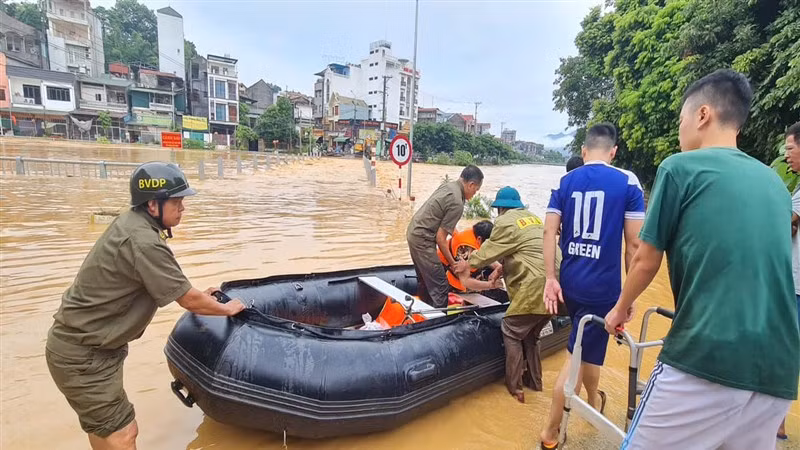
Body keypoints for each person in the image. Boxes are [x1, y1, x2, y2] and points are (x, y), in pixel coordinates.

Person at [604, 69, 799, 449]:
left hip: (706, 356)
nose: (680, 132)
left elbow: (645, 259)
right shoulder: (775, 185)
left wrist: (620, 309)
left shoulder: (680, 168)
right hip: (778, 369)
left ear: (703, 115)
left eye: (681, 120)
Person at [45, 162, 246, 450]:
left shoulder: (134, 224)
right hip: (85, 354)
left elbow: (170, 286)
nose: (182, 208)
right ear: (153, 204)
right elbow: (187, 299)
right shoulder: (143, 241)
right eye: (176, 202)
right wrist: (228, 309)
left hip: (88, 348)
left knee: (104, 427)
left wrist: (201, 296)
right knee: (124, 433)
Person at [540, 123, 645, 448]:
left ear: (584, 151)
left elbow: (549, 232)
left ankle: (592, 400)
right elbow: (634, 246)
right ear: (613, 151)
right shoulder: (627, 182)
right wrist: (629, 296)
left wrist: (550, 278)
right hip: (603, 288)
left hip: (570, 281)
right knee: (574, 357)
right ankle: (550, 433)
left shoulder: (565, 181)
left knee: (586, 344)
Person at [458, 186, 556, 403]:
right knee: (531, 336)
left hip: (535, 286)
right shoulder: (534, 219)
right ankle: (535, 383)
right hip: (556, 286)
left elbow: (487, 252)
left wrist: (467, 264)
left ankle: (515, 388)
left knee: (511, 329)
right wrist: (501, 269)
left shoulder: (505, 221)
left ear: (500, 209)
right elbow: (527, 253)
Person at [407, 165, 483, 307]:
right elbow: (441, 239)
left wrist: (458, 236)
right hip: (423, 240)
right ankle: (438, 317)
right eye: (476, 190)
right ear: (471, 184)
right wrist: (453, 263)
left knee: (425, 280)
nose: (475, 193)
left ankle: (422, 311)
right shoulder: (457, 203)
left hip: (413, 231)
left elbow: (444, 221)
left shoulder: (448, 186)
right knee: (440, 286)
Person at [778, 121, 800, 441]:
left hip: (796, 288)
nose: (787, 155)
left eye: (791, 148)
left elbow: (783, 224)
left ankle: (777, 424)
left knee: (784, 351)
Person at [437, 220, 501, 293]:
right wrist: (491, 285)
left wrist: (498, 268)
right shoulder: (465, 250)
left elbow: (484, 255)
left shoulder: (474, 233)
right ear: (479, 239)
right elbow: (466, 281)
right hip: (445, 275)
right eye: (490, 244)